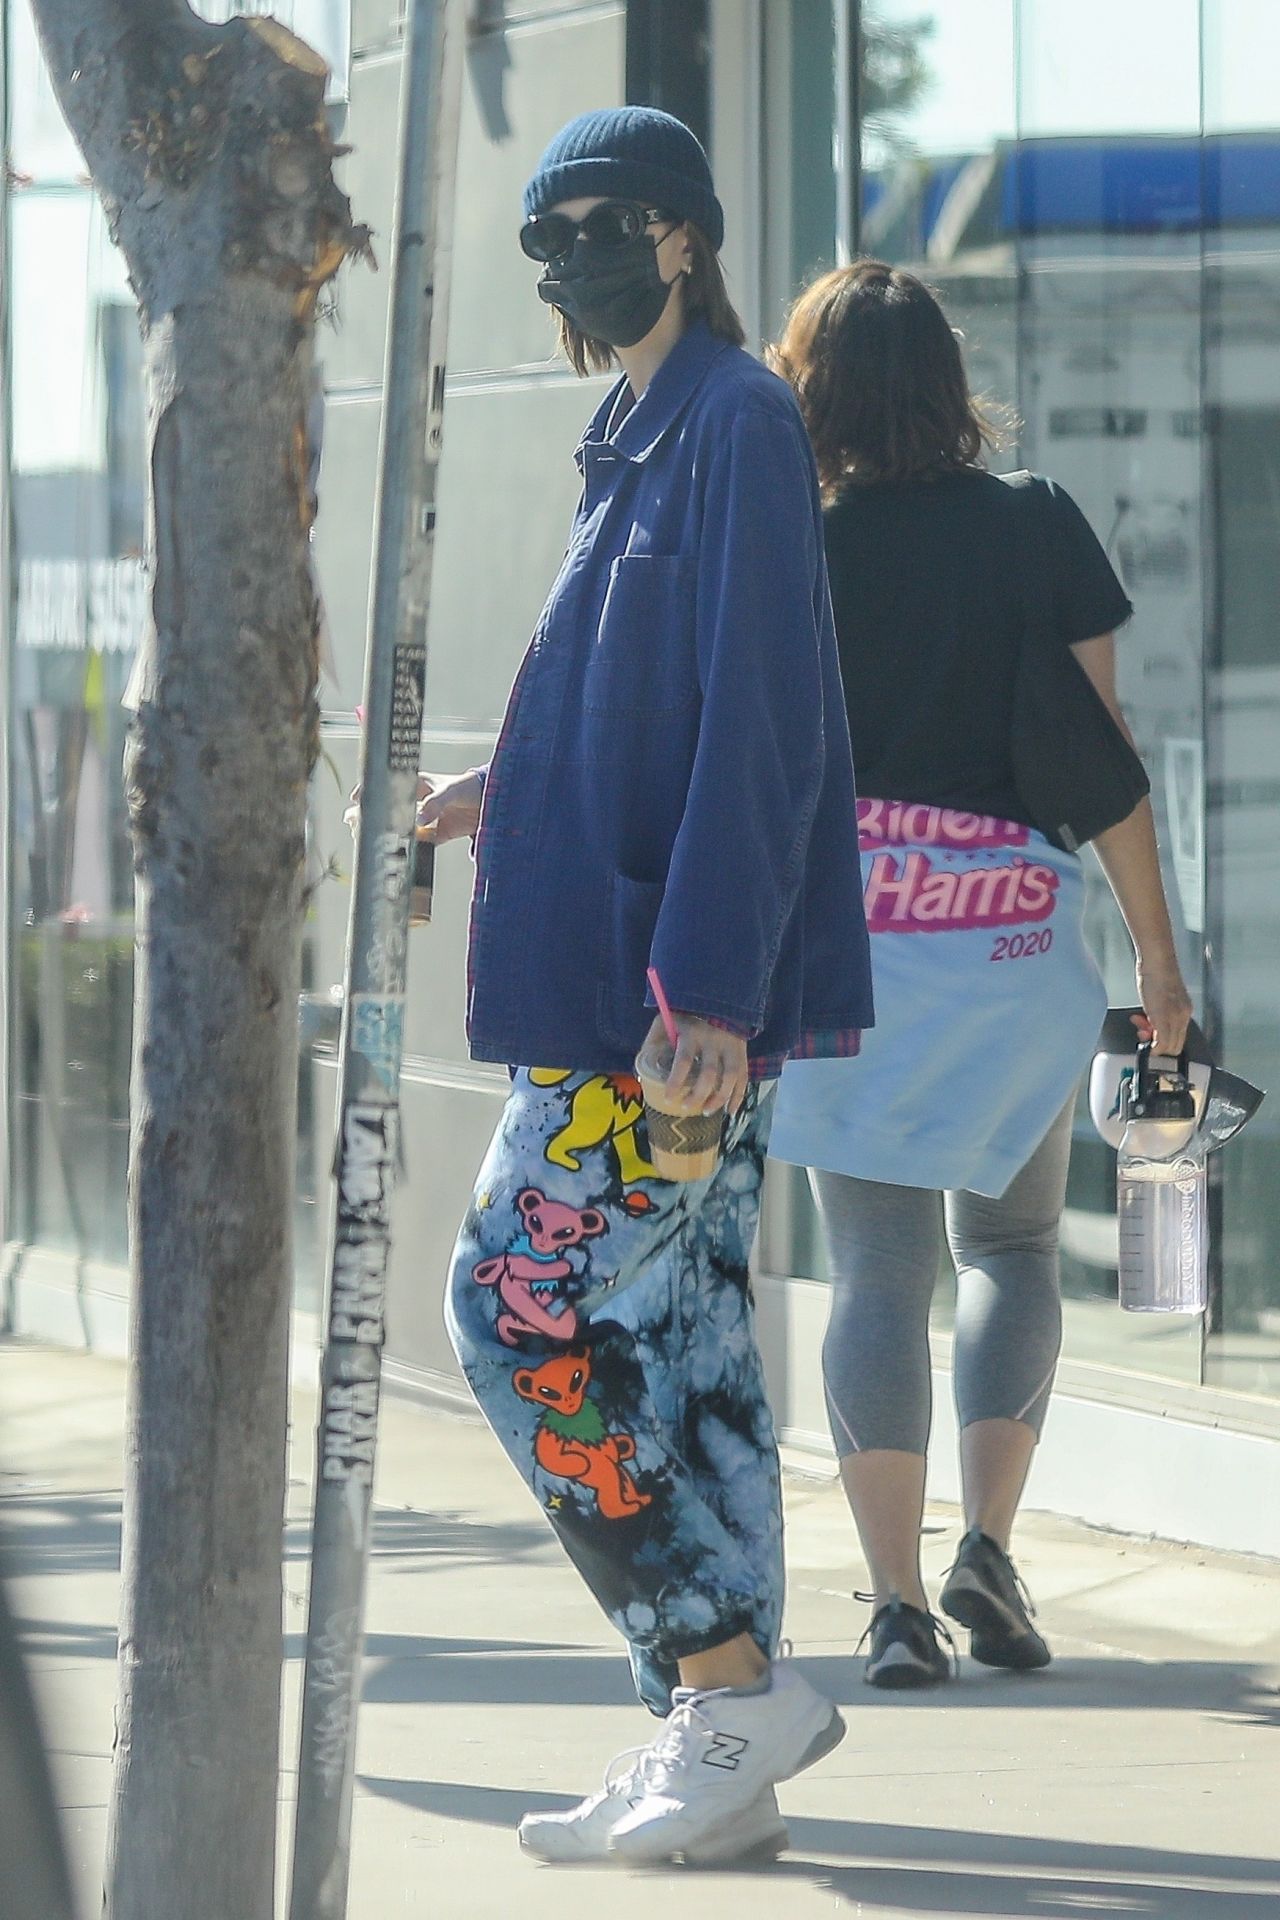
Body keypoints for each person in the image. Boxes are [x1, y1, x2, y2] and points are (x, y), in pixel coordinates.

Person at [418, 111, 873, 1865]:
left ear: (686, 234)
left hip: (662, 1007)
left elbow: (761, 721)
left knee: (511, 1313)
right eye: (551, 235)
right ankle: (720, 1743)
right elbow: (628, 694)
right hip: (644, 987)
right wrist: (500, 791)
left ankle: (722, 1677)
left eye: (608, 223)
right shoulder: (638, 431)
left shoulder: (738, 420)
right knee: (679, 1361)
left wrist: (712, 987)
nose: (579, 258)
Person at [767, 261, 1193, 1689]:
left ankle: (893, 1602)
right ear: (952, 384)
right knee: (1007, 1251)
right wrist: (1157, 963)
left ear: (810, 389)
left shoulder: (793, 544)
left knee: (875, 1271)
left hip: (855, 953)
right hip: (1012, 942)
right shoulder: (1039, 526)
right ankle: (987, 1552)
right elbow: (1105, 767)